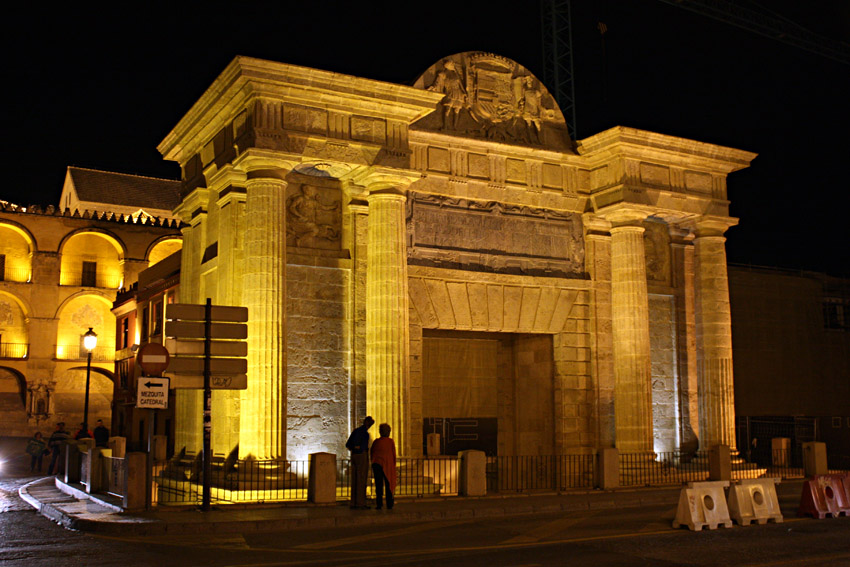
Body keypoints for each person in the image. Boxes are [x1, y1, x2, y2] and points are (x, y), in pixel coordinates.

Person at [345, 416, 374, 509]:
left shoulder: (355, 431)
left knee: (355, 479)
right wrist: (360, 449)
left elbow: (348, 444)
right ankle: (360, 503)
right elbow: (364, 447)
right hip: (362, 456)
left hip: (354, 456)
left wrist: (354, 449)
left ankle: (353, 502)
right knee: (361, 480)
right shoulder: (365, 434)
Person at [370, 423, 397, 510]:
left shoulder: (376, 442)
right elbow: (393, 454)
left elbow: (372, 453)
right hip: (388, 465)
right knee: (388, 485)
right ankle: (389, 504)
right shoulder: (390, 442)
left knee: (379, 485)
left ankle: (379, 504)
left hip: (377, 464)